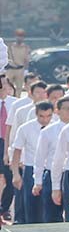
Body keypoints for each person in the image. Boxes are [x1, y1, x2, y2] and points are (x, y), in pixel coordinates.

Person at [33, 96, 69, 223]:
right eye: (67, 109)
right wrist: (38, 181)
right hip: (52, 175)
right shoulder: (48, 131)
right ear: (57, 111)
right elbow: (40, 158)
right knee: (52, 216)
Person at [12, 101, 53, 225]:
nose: (45, 119)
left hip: (50, 169)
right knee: (31, 204)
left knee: (50, 204)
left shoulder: (57, 127)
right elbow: (17, 151)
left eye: (48, 116)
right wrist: (15, 174)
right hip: (31, 168)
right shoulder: (25, 128)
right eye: (41, 116)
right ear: (36, 114)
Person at [0, 77, 18, 221]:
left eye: (6, 83)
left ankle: (4, 208)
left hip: (8, 142)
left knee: (9, 176)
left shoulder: (15, 103)